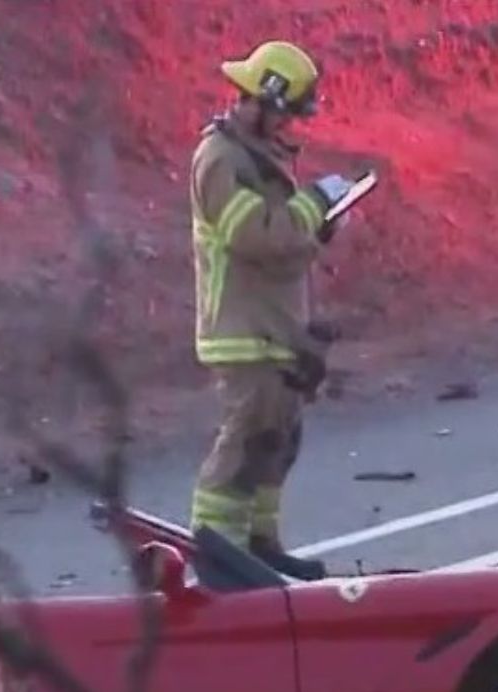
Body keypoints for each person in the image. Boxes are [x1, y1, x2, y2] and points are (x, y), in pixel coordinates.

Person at [188, 40, 358, 579]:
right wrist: (313, 205)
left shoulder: (254, 156)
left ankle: (258, 547)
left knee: (275, 443)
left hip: (274, 329)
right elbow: (256, 236)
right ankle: (217, 560)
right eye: (285, 113)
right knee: (243, 447)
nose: (289, 126)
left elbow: (283, 238)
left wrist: (319, 221)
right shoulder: (220, 160)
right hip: (244, 332)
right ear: (261, 99)